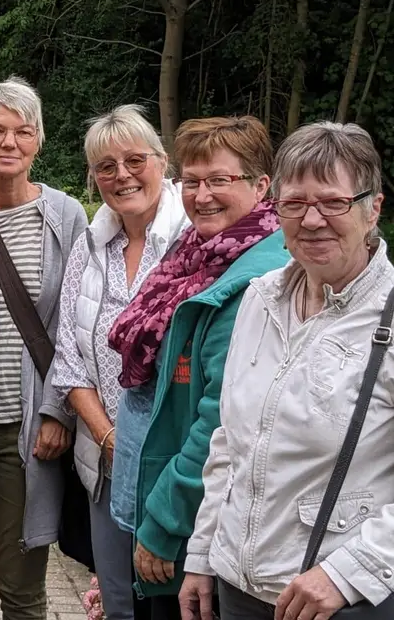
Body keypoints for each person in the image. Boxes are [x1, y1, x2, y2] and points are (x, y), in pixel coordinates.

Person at [178, 121, 394, 620]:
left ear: (372, 208)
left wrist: (347, 574)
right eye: (294, 204)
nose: (311, 220)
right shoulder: (260, 299)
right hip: (238, 591)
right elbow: (230, 444)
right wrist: (204, 554)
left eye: (332, 202)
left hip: (330, 602)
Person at [103, 116, 290, 620]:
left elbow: (218, 422)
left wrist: (163, 522)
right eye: (192, 181)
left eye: (219, 180)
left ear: (260, 185)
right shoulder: (195, 254)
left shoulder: (253, 280)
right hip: (166, 491)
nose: (202, 194)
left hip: (196, 520)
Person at [0, 76, 89, 620]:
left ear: (39, 140)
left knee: (23, 583)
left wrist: (60, 412)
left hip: (30, 428)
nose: (9, 142)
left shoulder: (66, 216)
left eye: (22, 131)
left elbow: (78, 321)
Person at [50, 105, 190, 620]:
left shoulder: (193, 241)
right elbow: (68, 356)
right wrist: (110, 439)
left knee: (177, 602)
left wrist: (137, 447)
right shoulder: (91, 244)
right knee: (117, 600)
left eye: (135, 160)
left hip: (177, 463)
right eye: (105, 167)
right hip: (104, 461)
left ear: (162, 162)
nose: (122, 175)